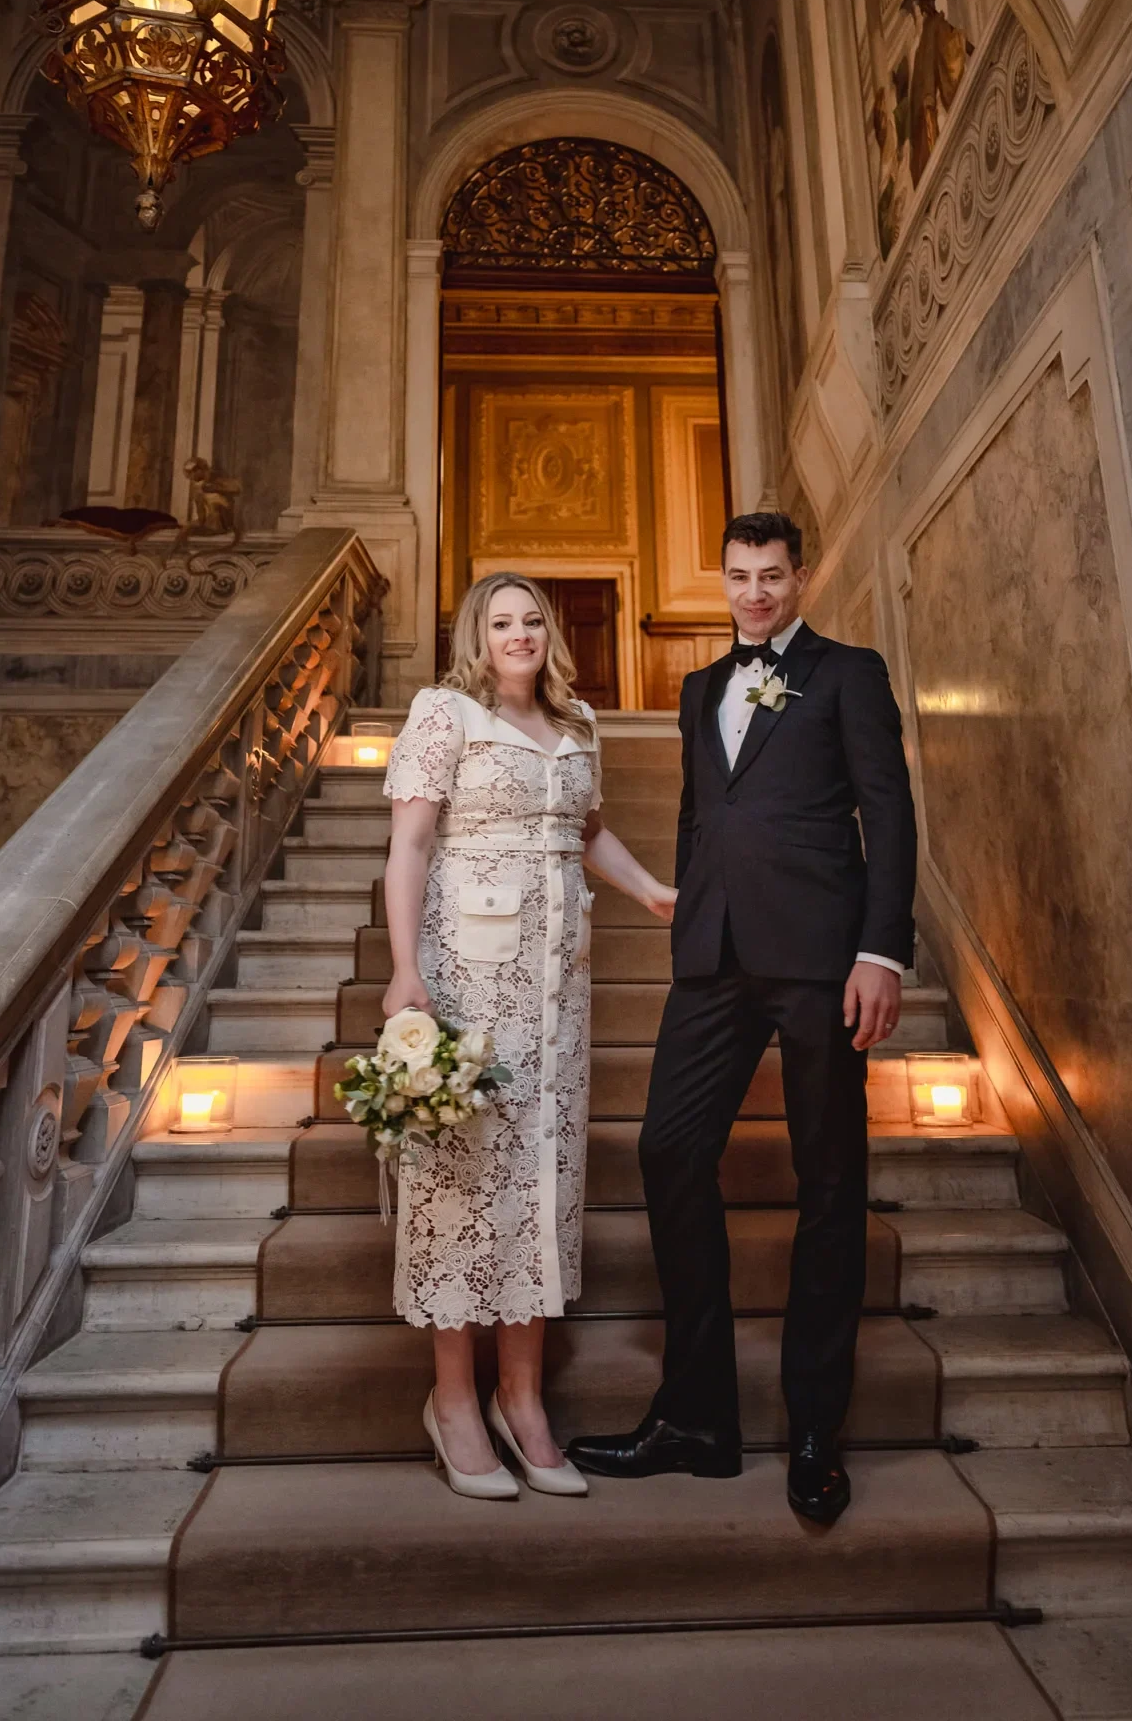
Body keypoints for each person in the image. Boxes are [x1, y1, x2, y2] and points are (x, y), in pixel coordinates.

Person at [568, 511, 917, 1525]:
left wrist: (879, 951)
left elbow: (885, 812)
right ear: (719, 582)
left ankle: (814, 1429)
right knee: (669, 1153)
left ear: (800, 577)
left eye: (771, 575)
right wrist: (685, 908)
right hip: (713, 958)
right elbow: (698, 812)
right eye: (737, 577)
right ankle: (697, 1418)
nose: (754, 592)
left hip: (821, 959)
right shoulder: (695, 690)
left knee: (829, 1184)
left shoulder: (849, 673)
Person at [381, 573, 677, 1500]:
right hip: (468, 980)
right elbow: (412, 846)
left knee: (543, 1178)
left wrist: (653, 892)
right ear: (477, 634)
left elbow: (588, 832)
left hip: (559, 992)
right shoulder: (444, 714)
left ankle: (523, 1398)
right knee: (465, 1177)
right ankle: (455, 1400)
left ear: (551, 632)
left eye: (533, 620)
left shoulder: (581, 723)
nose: (520, 634)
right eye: (501, 622)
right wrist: (404, 972)